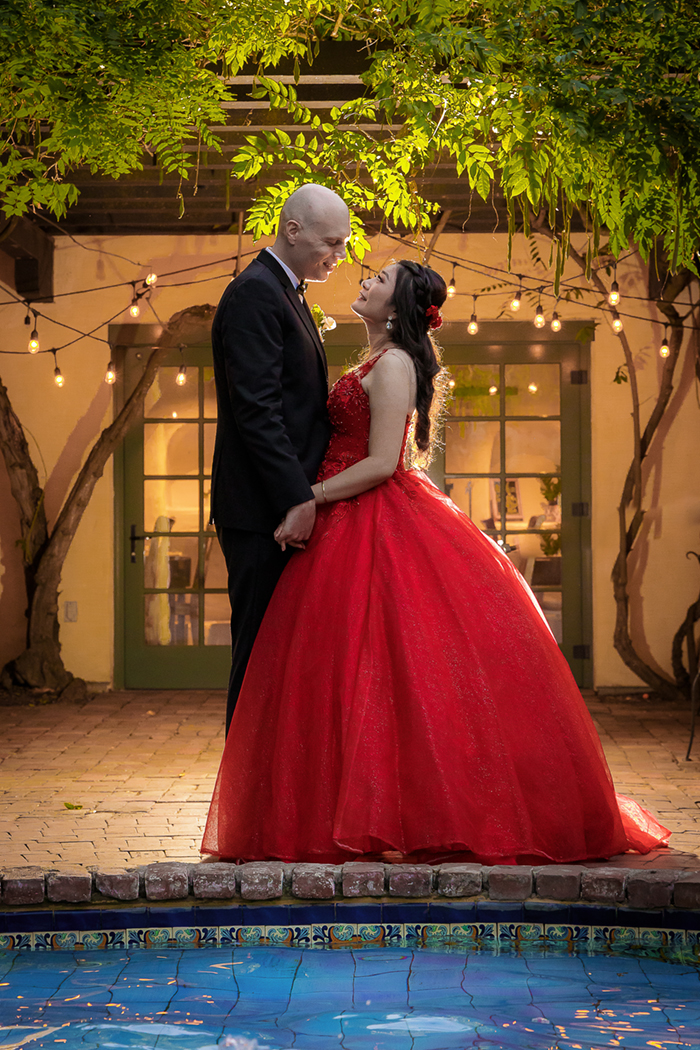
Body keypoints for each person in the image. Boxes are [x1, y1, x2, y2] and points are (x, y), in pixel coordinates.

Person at [202, 259, 670, 865]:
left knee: (389, 665)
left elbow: (382, 465)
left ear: (397, 307)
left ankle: (400, 811)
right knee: (343, 668)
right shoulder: (374, 359)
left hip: (365, 514)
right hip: (343, 520)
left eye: (379, 280)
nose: (364, 280)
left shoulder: (395, 363)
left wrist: (307, 496)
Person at [210, 184, 351, 735]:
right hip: (262, 512)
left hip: (279, 508)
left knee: (284, 659)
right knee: (258, 660)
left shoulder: (285, 290)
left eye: (342, 244)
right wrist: (297, 498)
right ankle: (245, 781)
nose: (339, 255)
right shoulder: (255, 293)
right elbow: (257, 410)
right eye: (331, 242)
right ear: (292, 230)